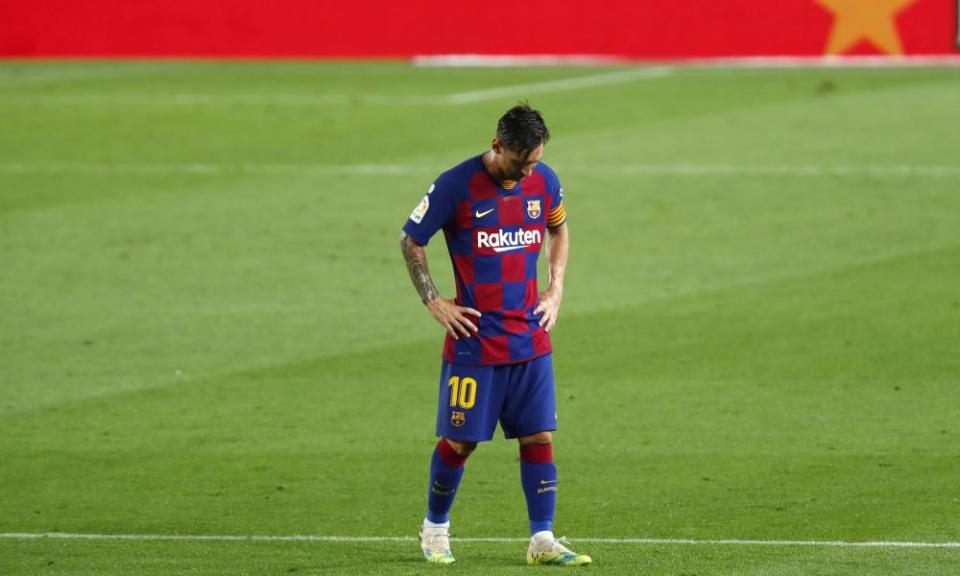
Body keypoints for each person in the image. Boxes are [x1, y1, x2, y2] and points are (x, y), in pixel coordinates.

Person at [399, 103, 591, 567]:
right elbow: (411, 239)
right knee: (460, 442)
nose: (526, 171)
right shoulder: (456, 185)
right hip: (475, 342)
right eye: (519, 161)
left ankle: (542, 538)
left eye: (534, 161)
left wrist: (556, 289)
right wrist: (434, 300)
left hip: (529, 336)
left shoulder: (543, 181)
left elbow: (559, 230)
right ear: (497, 145)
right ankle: (435, 529)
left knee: (539, 435)